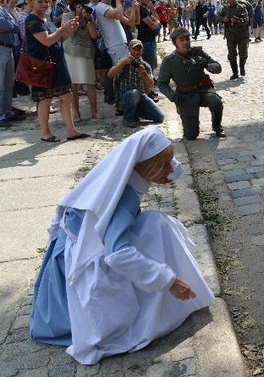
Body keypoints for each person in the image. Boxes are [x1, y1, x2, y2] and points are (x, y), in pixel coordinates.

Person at [29, 126, 215, 364]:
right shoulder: (123, 197)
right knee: (157, 224)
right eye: (163, 166)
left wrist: (167, 165)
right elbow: (117, 254)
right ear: (143, 165)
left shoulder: (118, 171)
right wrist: (169, 280)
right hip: (85, 258)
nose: (169, 171)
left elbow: (164, 164)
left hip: (73, 246)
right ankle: (151, 306)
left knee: (154, 221)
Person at [24, 0, 88, 143]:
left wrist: (70, 30)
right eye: (40, 1)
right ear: (31, 2)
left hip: (57, 63)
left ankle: (71, 130)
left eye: (47, 1)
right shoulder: (32, 20)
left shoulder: (46, 19)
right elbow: (46, 40)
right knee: (45, 99)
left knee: (66, 96)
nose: (45, 4)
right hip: (43, 66)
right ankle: (45, 133)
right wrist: (62, 29)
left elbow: (60, 38)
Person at [157, 28, 224, 139]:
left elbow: (218, 67)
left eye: (187, 39)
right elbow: (162, 83)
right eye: (181, 40)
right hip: (185, 96)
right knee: (191, 135)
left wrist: (207, 65)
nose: (186, 42)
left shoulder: (197, 52)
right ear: (175, 43)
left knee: (216, 101)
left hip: (202, 90)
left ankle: (217, 126)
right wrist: (173, 97)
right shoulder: (169, 61)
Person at [107, 40, 164, 128]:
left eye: (139, 49)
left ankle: (134, 112)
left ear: (142, 50)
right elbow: (110, 74)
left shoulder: (145, 65)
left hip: (140, 96)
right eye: (134, 49)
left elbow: (151, 85)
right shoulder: (123, 61)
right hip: (124, 97)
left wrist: (143, 73)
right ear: (129, 50)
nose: (137, 52)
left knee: (160, 117)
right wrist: (122, 63)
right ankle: (128, 119)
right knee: (134, 93)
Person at [62, 0, 100, 121]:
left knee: (90, 83)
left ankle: (95, 111)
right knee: (75, 85)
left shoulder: (88, 17)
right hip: (72, 52)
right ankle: (76, 113)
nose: (81, 7)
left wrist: (88, 19)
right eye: (79, 4)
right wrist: (77, 16)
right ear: (74, 5)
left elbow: (94, 35)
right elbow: (71, 32)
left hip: (87, 53)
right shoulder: (67, 16)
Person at [220, 0, 251, 80]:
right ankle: (235, 73)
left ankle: (242, 67)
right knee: (231, 55)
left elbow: (246, 20)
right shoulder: (225, 9)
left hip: (242, 35)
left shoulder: (241, 8)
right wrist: (223, 19)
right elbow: (217, 17)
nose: (231, 0)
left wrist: (237, 20)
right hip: (230, 35)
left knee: (243, 53)